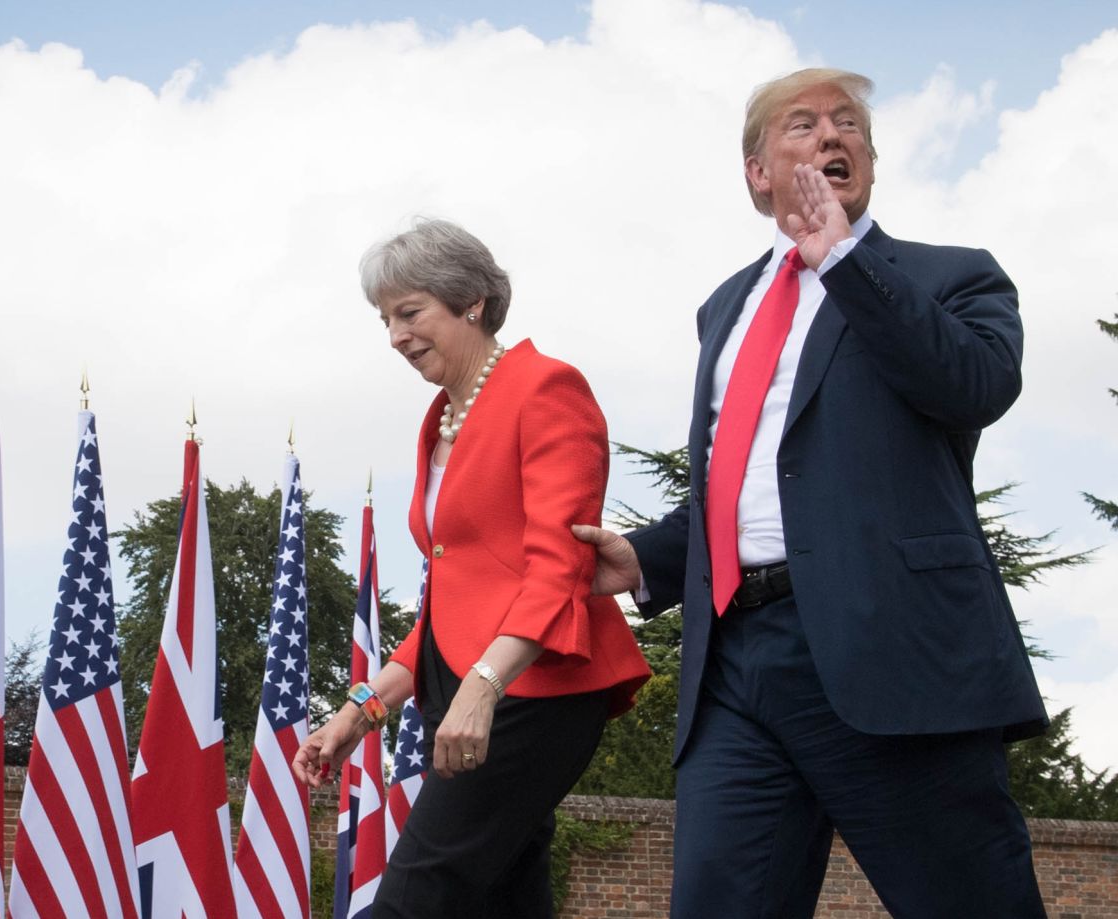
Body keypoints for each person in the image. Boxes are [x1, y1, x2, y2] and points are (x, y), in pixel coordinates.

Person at [573, 68, 1049, 918]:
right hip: (736, 671)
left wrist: (848, 262)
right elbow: (755, 479)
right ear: (757, 172)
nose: (832, 136)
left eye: (848, 125)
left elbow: (974, 386)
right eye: (803, 124)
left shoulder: (953, 277)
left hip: (894, 654)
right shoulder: (727, 306)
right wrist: (647, 558)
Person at [292, 218, 650, 918]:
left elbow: (558, 567)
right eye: (385, 319)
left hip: (536, 689)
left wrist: (484, 685)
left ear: (472, 302)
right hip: (461, 693)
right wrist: (361, 713)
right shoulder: (441, 420)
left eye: (410, 311)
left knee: (414, 895)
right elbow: (449, 605)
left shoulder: (545, 388)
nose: (395, 334)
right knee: (504, 899)